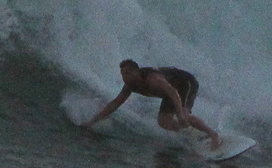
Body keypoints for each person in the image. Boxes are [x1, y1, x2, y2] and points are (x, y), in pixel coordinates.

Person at [83, 59, 222, 150]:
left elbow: (172, 92)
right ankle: (192, 134)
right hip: (171, 91)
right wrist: (94, 120)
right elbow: (115, 104)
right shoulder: (130, 85)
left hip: (185, 84)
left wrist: (180, 114)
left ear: (136, 71)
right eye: (122, 74)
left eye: (128, 73)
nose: (125, 77)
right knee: (163, 122)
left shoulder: (153, 79)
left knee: (184, 116)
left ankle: (213, 135)